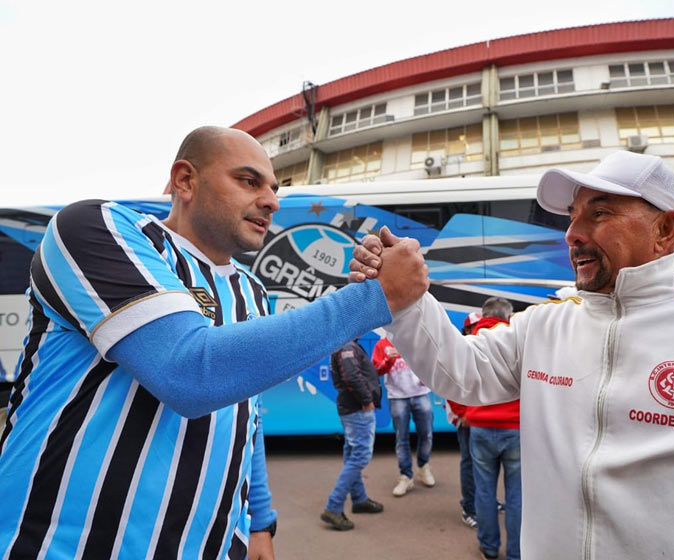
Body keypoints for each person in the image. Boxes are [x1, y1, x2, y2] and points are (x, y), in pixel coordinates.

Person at [0, 126, 428, 560]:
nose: (271, 201)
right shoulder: (94, 228)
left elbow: (246, 418)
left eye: (274, 189)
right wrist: (375, 297)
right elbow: (187, 372)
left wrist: (259, 521)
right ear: (185, 180)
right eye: (249, 181)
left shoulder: (252, 290)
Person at [351, 150, 674, 559]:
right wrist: (406, 300)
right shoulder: (543, 325)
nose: (572, 233)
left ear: (664, 230)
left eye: (599, 213)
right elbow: (461, 373)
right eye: (572, 216)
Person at [464, 297, 520, 560]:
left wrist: (463, 412)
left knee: (484, 490)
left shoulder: (471, 340)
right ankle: (516, 552)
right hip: (515, 426)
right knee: (516, 494)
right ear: (507, 315)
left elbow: (456, 380)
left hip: (480, 426)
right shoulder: (517, 339)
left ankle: (488, 547)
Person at [321, 340, 384, 531]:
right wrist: (366, 400)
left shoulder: (345, 344)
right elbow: (352, 376)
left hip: (351, 408)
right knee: (360, 456)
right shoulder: (347, 346)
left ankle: (359, 499)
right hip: (357, 409)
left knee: (352, 454)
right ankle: (333, 507)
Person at [371, 337, 435, 497]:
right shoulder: (382, 344)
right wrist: (388, 360)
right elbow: (376, 370)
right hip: (397, 396)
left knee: (426, 434)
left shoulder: (416, 339)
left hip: (421, 393)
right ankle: (406, 476)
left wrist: (427, 377)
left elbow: (431, 361)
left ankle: (423, 466)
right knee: (402, 438)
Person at [446, 310, 482, 528]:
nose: (480, 330)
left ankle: (484, 502)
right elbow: (450, 386)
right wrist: (462, 413)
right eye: (475, 327)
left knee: (485, 465)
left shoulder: (485, 348)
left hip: (483, 419)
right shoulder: (459, 351)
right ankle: (469, 508)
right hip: (467, 419)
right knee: (470, 463)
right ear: (467, 330)